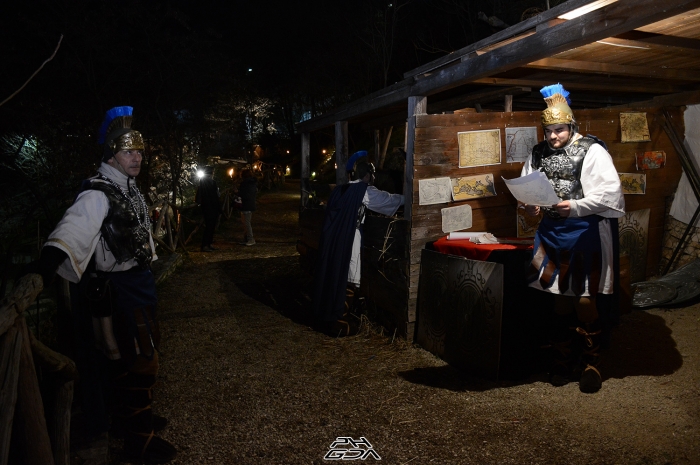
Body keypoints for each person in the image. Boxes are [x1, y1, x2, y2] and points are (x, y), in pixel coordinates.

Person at [31, 106, 177, 462]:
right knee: (137, 361)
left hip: (138, 285)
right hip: (118, 291)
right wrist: (46, 265)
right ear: (112, 154)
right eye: (129, 151)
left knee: (139, 355)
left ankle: (134, 420)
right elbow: (73, 229)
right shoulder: (98, 192)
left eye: (140, 151)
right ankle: (138, 440)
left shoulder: (127, 189)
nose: (137, 157)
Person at [521, 84, 625, 393]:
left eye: (560, 130)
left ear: (572, 125)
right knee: (558, 297)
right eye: (549, 130)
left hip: (584, 233)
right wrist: (529, 207)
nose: (553, 136)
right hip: (551, 233)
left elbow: (611, 195)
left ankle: (591, 361)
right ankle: (563, 358)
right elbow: (528, 190)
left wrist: (576, 206)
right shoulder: (538, 154)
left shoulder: (592, 151)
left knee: (583, 297)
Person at [313, 160, 404, 337]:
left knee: (335, 273)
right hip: (349, 237)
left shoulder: (340, 190)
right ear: (367, 175)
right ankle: (338, 320)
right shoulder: (363, 191)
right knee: (350, 276)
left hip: (333, 238)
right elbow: (387, 200)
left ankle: (329, 315)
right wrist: (407, 197)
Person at [196, 165, 221, 252]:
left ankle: (208, 244)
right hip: (211, 206)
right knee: (210, 226)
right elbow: (216, 195)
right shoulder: (211, 182)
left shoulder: (202, 182)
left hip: (206, 206)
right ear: (211, 173)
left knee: (210, 226)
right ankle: (206, 245)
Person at [238, 168, 257, 246]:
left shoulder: (246, 184)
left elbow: (245, 194)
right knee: (245, 222)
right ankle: (246, 239)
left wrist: (237, 192)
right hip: (249, 204)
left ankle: (251, 239)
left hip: (246, 204)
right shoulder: (252, 183)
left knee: (246, 223)